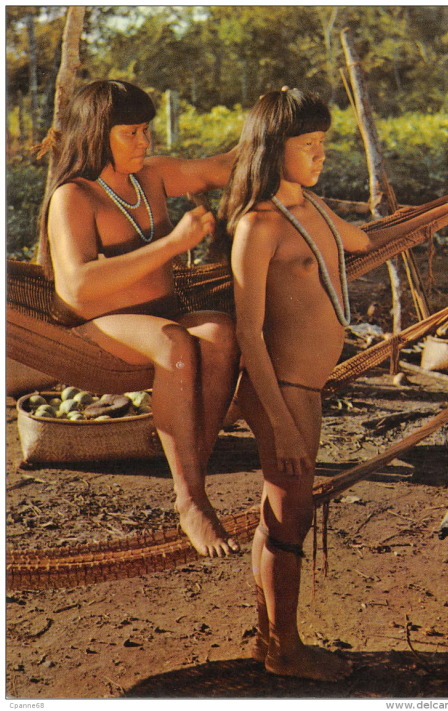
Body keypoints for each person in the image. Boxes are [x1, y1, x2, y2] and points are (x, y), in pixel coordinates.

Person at [218, 87, 401, 682]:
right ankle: (288, 650)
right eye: (310, 145)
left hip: (307, 389)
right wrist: (281, 420)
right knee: (289, 518)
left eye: (325, 143)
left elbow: (366, 240)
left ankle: (269, 637)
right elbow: (248, 332)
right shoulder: (258, 224)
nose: (322, 155)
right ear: (275, 150)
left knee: (282, 512)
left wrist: (439, 215)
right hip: (282, 388)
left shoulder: (315, 209)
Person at [38, 79, 240, 558]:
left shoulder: (152, 176)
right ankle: (190, 501)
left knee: (220, 333)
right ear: (96, 133)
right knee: (174, 343)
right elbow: (76, 286)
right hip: (98, 328)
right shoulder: (75, 197)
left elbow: (218, 169)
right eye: (131, 132)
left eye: (146, 130)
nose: (144, 142)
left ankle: (192, 465)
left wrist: (270, 124)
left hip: (162, 314)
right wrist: (173, 245)